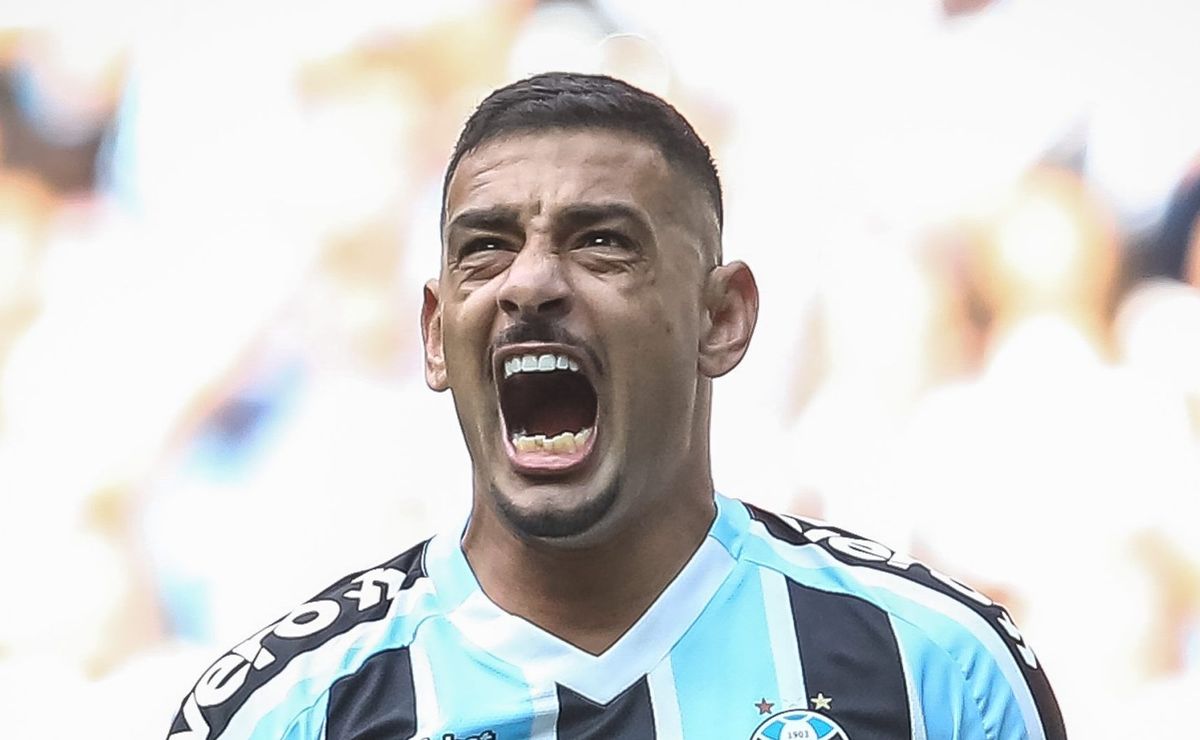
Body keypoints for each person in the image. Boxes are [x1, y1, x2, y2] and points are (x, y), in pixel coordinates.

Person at [166, 72, 1065, 740]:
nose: (528, 282)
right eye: (485, 248)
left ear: (722, 318)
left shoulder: (936, 671)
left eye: (601, 242)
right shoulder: (287, 713)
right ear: (435, 335)